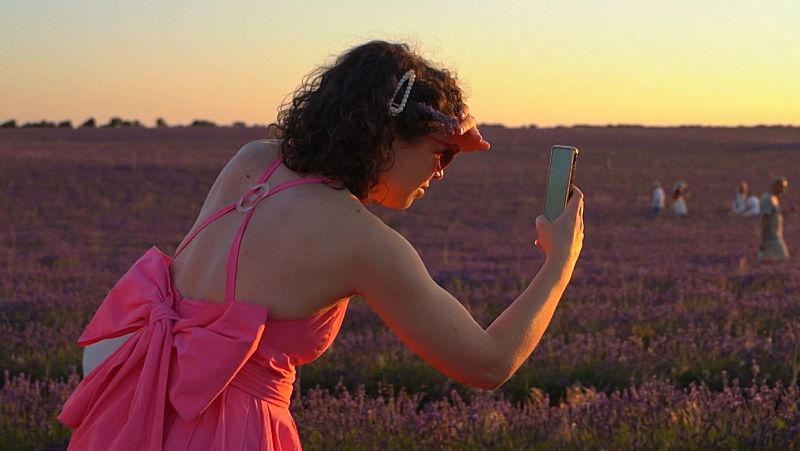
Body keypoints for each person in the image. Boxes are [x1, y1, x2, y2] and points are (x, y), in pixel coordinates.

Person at [57, 41, 584, 450]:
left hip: (135, 411)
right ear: (386, 135)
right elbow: (488, 364)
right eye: (442, 152)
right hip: (230, 432)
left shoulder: (251, 159)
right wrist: (558, 266)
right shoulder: (365, 243)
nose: (442, 172)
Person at [758, 177, 791, 260]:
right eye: (782, 188)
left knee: (767, 260)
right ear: (776, 187)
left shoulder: (774, 198)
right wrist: (763, 239)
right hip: (771, 237)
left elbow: (774, 214)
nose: (783, 191)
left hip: (775, 235)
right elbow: (765, 219)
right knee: (783, 259)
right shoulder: (767, 199)